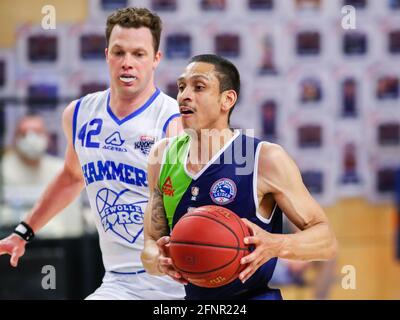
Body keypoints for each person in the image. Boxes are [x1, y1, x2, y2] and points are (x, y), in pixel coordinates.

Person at [0, 7, 185, 300]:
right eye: (119, 52)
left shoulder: (175, 120)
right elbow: (72, 178)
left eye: (139, 54)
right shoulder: (79, 114)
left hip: (177, 283)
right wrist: (23, 232)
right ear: (106, 54)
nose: (127, 63)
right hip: (119, 282)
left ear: (156, 60)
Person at [141, 54, 338, 300]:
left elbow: (326, 241)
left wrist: (276, 244)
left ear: (227, 100)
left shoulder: (264, 158)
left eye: (199, 87)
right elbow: (149, 245)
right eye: (181, 87)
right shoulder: (162, 156)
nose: (184, 95)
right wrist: (159, 259)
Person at [1, 114, 82, 238]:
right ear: (14, 138)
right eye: (24, 134)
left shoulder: (60, 169)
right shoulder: (4, 168)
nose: (31, 139)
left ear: (47, 137)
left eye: (37, 132)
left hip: (59, 243)